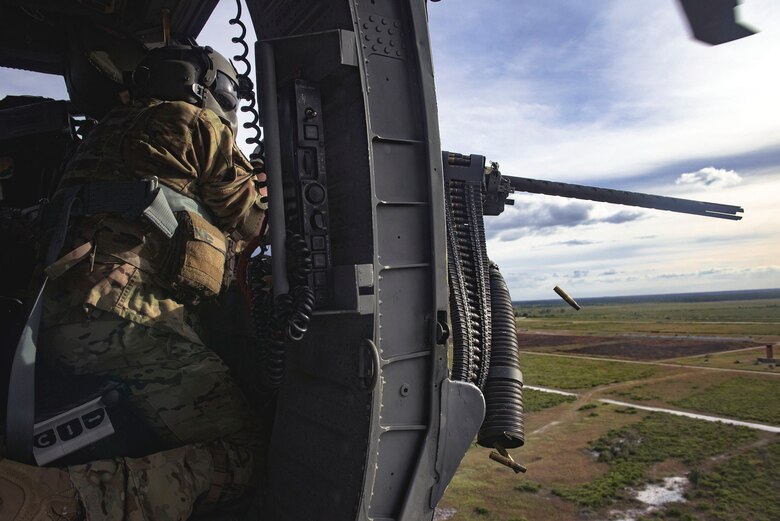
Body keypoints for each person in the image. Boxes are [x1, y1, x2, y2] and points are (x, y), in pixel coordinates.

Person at [0, 44, 267, 520]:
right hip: (124, 321)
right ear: (205, 89)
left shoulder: (100, 134)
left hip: (54, 318)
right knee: (246, 450)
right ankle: (57, 499)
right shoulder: (196, 123)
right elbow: (253, 223)